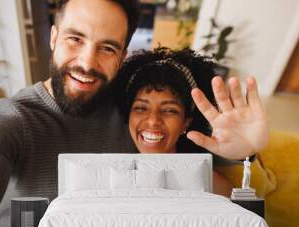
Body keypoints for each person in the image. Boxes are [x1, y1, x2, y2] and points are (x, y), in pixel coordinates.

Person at [0, 0, 265, 222]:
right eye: (75, 39)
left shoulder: (133, 107)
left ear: (122, 56)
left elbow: (213, 171)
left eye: (107, 48)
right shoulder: (11, 122)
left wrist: (246, 152)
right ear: (53, 37)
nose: (88, 63)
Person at [113, 47, 269, 196]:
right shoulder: (111, 175)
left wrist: (247, 156)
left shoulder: (208, 183)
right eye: (141, 108)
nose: (153, 121)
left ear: (186, 123)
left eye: (169, 110)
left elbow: (247, 220)